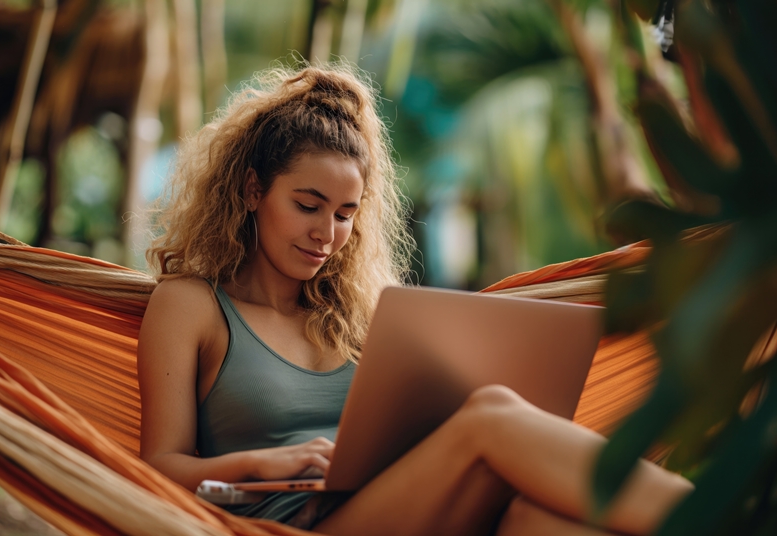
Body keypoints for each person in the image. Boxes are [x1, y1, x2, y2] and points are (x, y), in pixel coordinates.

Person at [137, 63, 693, 535]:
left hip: (407, 504)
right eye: (308, 205)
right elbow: (156, 468)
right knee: (492, 415)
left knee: (540, 520)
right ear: (254, 190)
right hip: (295, 524)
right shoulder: (192, 305)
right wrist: (268, 462)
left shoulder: (359, 319)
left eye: (345, 214)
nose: (326, 233)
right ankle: (722, 515)